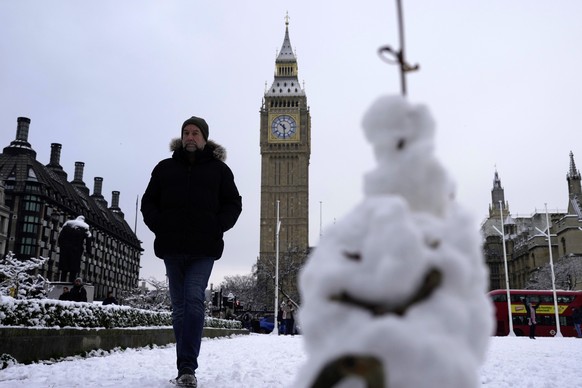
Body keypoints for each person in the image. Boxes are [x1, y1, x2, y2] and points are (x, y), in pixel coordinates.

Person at [141, 115, 242, 387]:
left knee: (194, 300)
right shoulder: (164, 168)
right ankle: (184, 364)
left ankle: (187, 367)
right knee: (180, 309)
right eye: (186, 132)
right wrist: (160, 226)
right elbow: (148, 202)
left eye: (195, 132)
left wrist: (217, 226)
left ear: (205, 138)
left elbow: (234, 203)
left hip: (203, 248)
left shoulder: (220, 171)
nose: (190, 137)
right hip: (172, 247)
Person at [57, 215, 92, 282]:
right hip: (76, 250)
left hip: (65, 250)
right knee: (74, 268)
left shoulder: (67, 225)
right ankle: (71, 281)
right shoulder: (85, 228)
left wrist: (61, 245)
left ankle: (62, 281)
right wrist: (88, 251)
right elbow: (89, 239)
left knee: (64, 268)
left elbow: (60, 237)